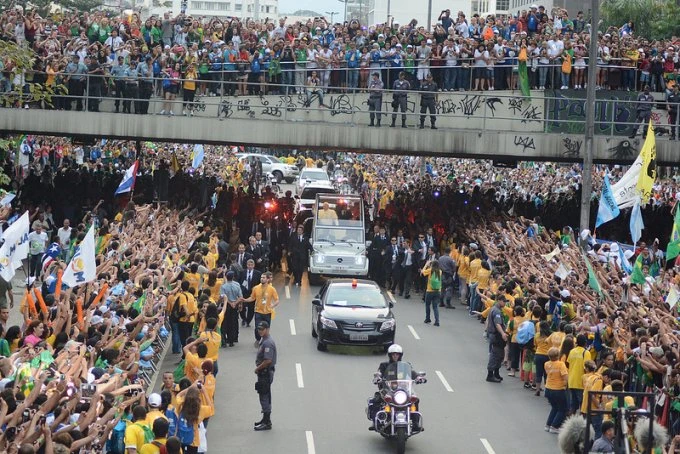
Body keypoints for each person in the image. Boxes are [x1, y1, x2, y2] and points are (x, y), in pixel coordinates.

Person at [243, 271, 279, 345]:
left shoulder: (271, 289)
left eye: (264, 278)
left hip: (267, 312)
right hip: (258, 311)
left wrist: (272, 306)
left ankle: (265, 341)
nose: (262, 279)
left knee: (266, 328)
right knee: (257, 328)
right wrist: (245, 300)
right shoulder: (256, 288)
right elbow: (252, 298)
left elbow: (277, 300)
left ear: (267, 279)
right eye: (261, 277)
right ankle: (258, 339)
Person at [254, 320, 277, 431]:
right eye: (259, 329)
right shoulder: (263, 340)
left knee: (264, 396)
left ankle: (267, 422)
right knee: (263, 395)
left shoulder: (268, 343)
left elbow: (268, 360)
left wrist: (257, 368)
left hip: (265, 372)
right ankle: (265, 419)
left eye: (262, 329)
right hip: (263, 372)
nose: (260, 331)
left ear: (267, 329)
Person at [543, 347, 568, 434]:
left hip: (548, 388)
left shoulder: (546, 364)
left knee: (554, 407)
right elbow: (565, 376)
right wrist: (565, 385)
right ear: (558, 355)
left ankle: (548, 424)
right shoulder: (561, 364)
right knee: (563, 408)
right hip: (558, 389)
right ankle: (555, 426)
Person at [485, 296, 507, 383]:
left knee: (500, 354)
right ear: (499, 301)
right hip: (496, 335)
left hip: (495, 335)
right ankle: (490, 374)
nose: (505, 303)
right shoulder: (496, 311)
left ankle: (496, 373)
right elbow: (498, 324)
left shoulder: (494, 309)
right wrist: (503, 333)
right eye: (504, 301)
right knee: (495, 355)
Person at [219, 270, 243, 347]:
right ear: (233, 277)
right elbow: (240, 297)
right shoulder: (237, 285)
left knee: (225, 323)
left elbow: (223, 297)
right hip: (234, 306)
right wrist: (235, 303)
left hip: (227, 306)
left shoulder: (223, 286)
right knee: (233, 323)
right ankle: (231, 340)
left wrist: (229, 302)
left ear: (226, 277)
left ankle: (224, 340)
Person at [421, 259, 442, 326]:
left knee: (427, 305)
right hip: (438, 290)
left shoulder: (430, 270)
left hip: (430, 290)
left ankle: (428, 318)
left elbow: (423, 272)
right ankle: (437, 321)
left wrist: (426, 265)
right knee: (435, 306)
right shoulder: (440, 271)